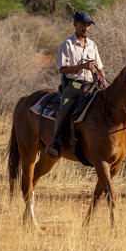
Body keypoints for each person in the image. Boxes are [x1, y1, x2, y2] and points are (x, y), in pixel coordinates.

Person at [46, 9, 105, 157]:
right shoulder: (67, 45)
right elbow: (63, 69)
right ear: (75, 24)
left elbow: (100, 67)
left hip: (91, 84)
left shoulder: (92, 45)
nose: (86, 27)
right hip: (74, 84)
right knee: (64, 107)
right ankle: (56, 142)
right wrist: (82, 66)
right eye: (83, 24)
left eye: (88, 24)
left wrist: (103, 80)